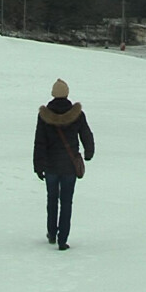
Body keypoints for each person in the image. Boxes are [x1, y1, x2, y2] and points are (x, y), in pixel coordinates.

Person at [34, 78, 94, 251]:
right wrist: (88, 153)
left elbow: (39, 142)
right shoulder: (77, 114)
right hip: (69, 166)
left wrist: (38, 165)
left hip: (51, 166)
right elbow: (86, 135)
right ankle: (63, 240)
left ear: (53, 94)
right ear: (67, 94)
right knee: (66, 202)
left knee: (52, 199)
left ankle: (52, 233)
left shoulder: (44, 116)